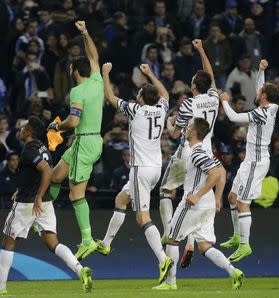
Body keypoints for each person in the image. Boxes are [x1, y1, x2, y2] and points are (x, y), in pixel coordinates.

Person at [0, 117, 93, 295]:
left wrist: (37, 195)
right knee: (53, 242)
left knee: (8, 241)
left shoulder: (28, 150)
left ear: (28, 132)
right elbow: (34, 174)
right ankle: (80, 270)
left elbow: (47, 171)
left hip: (29, 203)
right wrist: (24, 190)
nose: (20, 130)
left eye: (23, 127)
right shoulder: (43, 147)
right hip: (45, 203)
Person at [100, 62, 172, 286]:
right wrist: (150, 73)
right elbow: (165, 93)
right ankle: (106, 243)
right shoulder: (161, 109)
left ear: (140, 98)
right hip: (155, 169)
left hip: (141, 169)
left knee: (142, 217)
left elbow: (111, 98)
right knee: (121, 199)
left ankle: (163, 259)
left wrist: (105, 73)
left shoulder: (135, 110)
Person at [155, 117, 243, 291]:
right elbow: (222, 172)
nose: (186, 129)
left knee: (172, 239)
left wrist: (197, 195)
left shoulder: (196, 153)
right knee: (204, 246)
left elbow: (214, 174)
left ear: (194, 132)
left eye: (189, 127)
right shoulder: (206, 151)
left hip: (193, 204)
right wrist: (217, 198)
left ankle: (170, 283)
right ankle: (234, 272)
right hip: (208, 204)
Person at [160, 39, 220, 267]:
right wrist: (202, 50)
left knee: (166, 190)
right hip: (207, 152)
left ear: (194, 86)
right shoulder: (214, 99)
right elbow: (210, 76)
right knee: (195, 197)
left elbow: (175, 134)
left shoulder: (187, 105)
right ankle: (191, 242)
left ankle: (170, 232)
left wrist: (169, 122)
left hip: (189, 151)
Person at [46, 21, 104, 260]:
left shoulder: (77, 92)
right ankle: (43, 217)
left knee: (76, 196)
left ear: (74, 72)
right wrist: (85, 32)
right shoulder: (97, 81)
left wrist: (56, 126)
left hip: (84, 142)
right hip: (90, 141)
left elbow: (73, 121)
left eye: (70, 70)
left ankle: (88, 241)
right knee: (54, 177)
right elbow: (94, 55)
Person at [219, 59, 278, 262]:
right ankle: (236, 237)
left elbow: (234, 118)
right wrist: (261, 70)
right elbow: (262, 87)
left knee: (243, 203)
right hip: (250, 161)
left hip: (256, 162)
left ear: (263, 97)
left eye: (260, 92)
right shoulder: (270, 107)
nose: (257, 92)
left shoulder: (262, 113)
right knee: (232, 198)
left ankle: (245, 245)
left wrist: (224, 100)